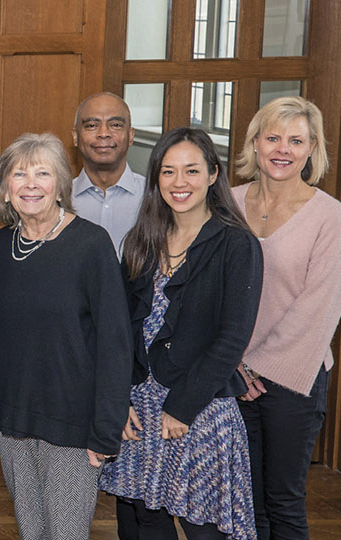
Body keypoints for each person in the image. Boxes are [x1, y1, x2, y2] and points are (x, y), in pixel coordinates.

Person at [98, 127, 260, 540]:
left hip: (198, 406)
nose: (179, 182)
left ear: (212, 174)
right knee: (143, 523)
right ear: (156, 178)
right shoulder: (141, 241)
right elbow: (120, 330)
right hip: (138, 408)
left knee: (203, 528)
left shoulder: (237, 244)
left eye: (191, 170)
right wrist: (118, 399)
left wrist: (182, 407)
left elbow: (232, 338)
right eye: (168, 171)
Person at [0, 133, 130, 540]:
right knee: (32, 532)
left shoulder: (91, 244)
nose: (31, 184)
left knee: (65, 533)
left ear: (61, 185)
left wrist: (106, 428)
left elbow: (115, 343)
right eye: (19, 174)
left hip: (71, 422)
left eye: (42, 173)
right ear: (5, 189)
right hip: (10, 417)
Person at [232, 96, 341, 540]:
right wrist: (233, 365)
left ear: (312, 148)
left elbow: (320, 307)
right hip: (231, 376)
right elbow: (210, 294)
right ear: (255, 143)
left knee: (283, 502)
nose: (283, 149)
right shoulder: (227, 204)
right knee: (244, 503)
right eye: (273, 137)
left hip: (295, 379)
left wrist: (254, 366)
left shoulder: (330, 216)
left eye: (296, 141)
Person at [71, 92, 145, 257]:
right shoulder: (58, 200)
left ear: (131, 135)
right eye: (92, 125)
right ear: (75, 137)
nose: (104, 133)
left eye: (115, 125)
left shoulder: (154, 196)